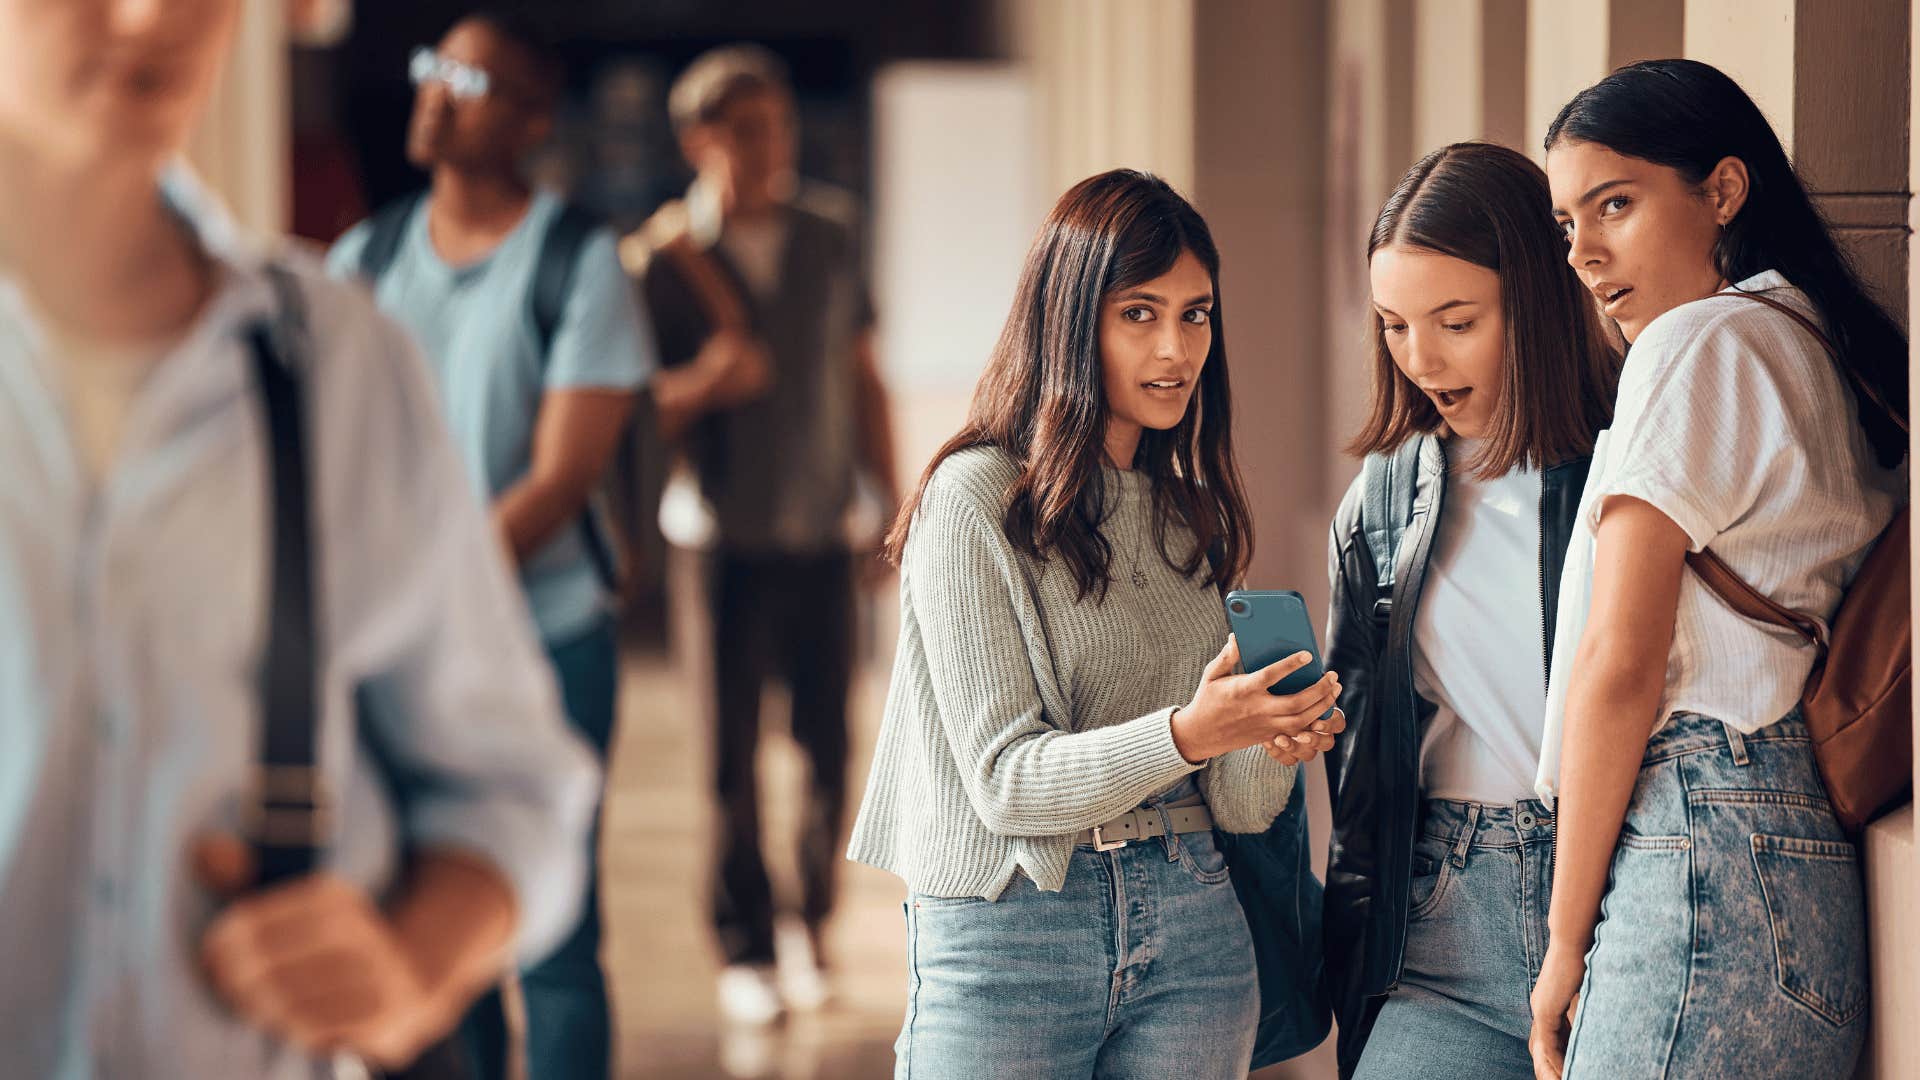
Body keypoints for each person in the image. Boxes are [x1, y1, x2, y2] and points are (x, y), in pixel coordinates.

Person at [0, 0, 599, 1076]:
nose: (149, 17)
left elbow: (516, 789)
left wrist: (415, 964)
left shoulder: (341, 360)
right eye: (436, 76)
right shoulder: (378, 255)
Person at [847, 169, 1342, 1079]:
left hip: (1195, 933)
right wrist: (1194, 731)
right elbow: (1005, 781)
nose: (1177, 348)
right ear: (1073, 322)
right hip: (1010, 938)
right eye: (1139, 314)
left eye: (1196, 315)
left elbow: (1234, 803)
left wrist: (1269, 739)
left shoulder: (1189, 511)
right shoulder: (974, 500)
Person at [1531, 58, 1906, 1079]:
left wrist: (1562, 946)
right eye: (1569, 224)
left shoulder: (1695, 344)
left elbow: (1621, 664)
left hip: (1699, 834)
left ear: (1724, 190)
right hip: (1796, 861)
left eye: (1616, 203)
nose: (1587, 252)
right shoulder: (1822, 344)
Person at [324, 10, 653, 1079]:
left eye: (469, 78)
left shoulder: (578, 262)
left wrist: (428, 592)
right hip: (397, 649)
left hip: (549, 637)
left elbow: (560, 479)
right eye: (432, 68)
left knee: (549, 933)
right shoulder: (362, 263)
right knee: (431, 924)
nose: (436, 91)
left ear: (530, 118)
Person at [1319, 142, 1619, 1080]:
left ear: (1532, 299)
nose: (1421, 359)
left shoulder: (1632, 460)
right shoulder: (1385, 497)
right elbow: (1363, 759)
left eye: (1456, 321)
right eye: (1395, 326)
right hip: (1447, 915)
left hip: (1622, 895)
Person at [621, 43, 900, 1022]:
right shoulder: (661, 260)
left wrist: (891, 501)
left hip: (822, 528)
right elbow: (623, 409)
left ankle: (810, 927)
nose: (771, 143)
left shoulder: (831, 235)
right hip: (717, 542)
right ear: (700, 141)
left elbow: (863, 377)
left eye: (778, 123)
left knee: (830, 749)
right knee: (726, 762)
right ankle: (742, 949)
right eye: (747, 128)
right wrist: (706, 382)